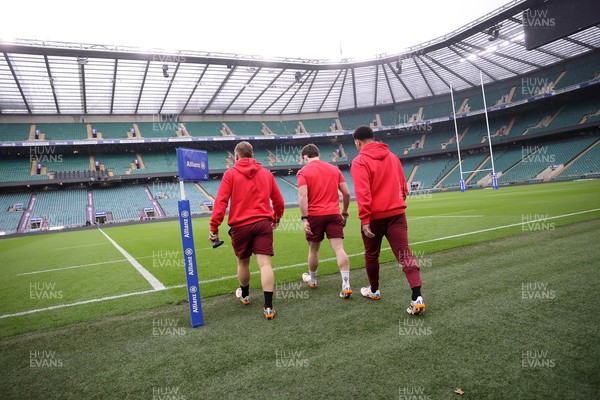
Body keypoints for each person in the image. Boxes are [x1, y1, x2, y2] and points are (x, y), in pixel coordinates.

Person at [351, 126, 425, 315]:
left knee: (371, 254)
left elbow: (363, 193)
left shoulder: (359, 161)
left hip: (374, 218)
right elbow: (403, 187)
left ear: (358, 142)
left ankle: (374, 290)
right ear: (373, 138)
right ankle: (417, 296)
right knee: (405, 254)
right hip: (397, 214)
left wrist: (365, 219)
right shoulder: (393, 157)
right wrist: (397, 203)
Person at [209, 141, 285, 320]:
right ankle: (268, 307)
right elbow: (279, 201)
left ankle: (245, 295)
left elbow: (221, 202)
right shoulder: (266, 173)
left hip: (240, 226)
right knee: (265, 264)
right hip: (263, 223)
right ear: (252, 155)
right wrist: (277, 218)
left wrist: (214, 227)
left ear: (236, 156)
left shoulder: (230, 174)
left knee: (243, 263)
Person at [296, 144, 352, 298]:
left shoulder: (303, 172)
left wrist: (304, 218)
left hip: (315, 215)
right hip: (334, 214)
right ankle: (346, 284)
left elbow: (302, 197)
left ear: (305, 157)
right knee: (339, 249)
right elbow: (346, 194)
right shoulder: (334, 169)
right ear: (318, 154)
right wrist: (345, 211)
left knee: (313, 250)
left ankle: (313, 280)